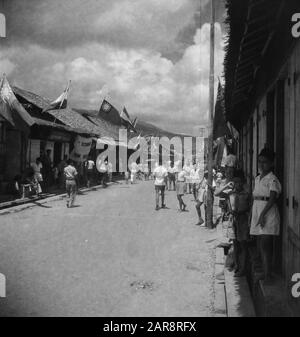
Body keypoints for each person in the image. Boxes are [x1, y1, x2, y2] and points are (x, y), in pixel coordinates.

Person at [249, 148, 281, 283]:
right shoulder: (257, 178)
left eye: (265, 162)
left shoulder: (272, 179)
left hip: (268, 212)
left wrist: (262, 214)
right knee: (261, 244)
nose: (262, 165)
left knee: (266, 245)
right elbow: (255, 197)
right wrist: (253, 214)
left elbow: (272, 199)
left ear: (271, 164)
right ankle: (265, 272)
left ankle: (268, 275)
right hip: (258, 210)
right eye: (260, 162)